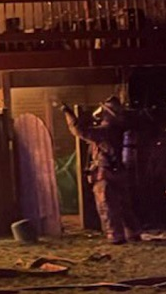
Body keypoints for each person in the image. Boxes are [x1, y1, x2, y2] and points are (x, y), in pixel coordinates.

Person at [62, 96, 142, 244]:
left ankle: (115, 236)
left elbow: (80, 131)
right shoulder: (120, 130)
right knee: (125, 205)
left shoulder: (104, 131)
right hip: (121, 173)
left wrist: (68, 114)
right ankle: (133, 233)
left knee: (107, 206)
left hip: (105, 174)